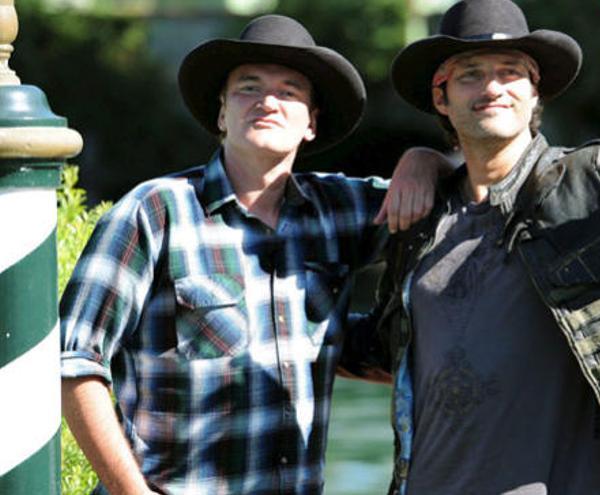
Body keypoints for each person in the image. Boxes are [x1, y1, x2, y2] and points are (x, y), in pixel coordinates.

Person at [349, 0, 600, 493]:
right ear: (441, 99)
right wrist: (421, 158)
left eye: (511, 72)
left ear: (535, 94)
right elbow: (383, 350)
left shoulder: (596, 179)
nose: (492, 87)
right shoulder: (420, 219)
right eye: (469, 74)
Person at [60, 14, 446, 494]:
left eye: (289, 91)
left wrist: (423, 161)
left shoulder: (340, 212)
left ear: (311, 123)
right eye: (248, 87)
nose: (268, 101)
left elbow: (462, 196)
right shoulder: (153, 211)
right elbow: (73, 363)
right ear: (222, 113)